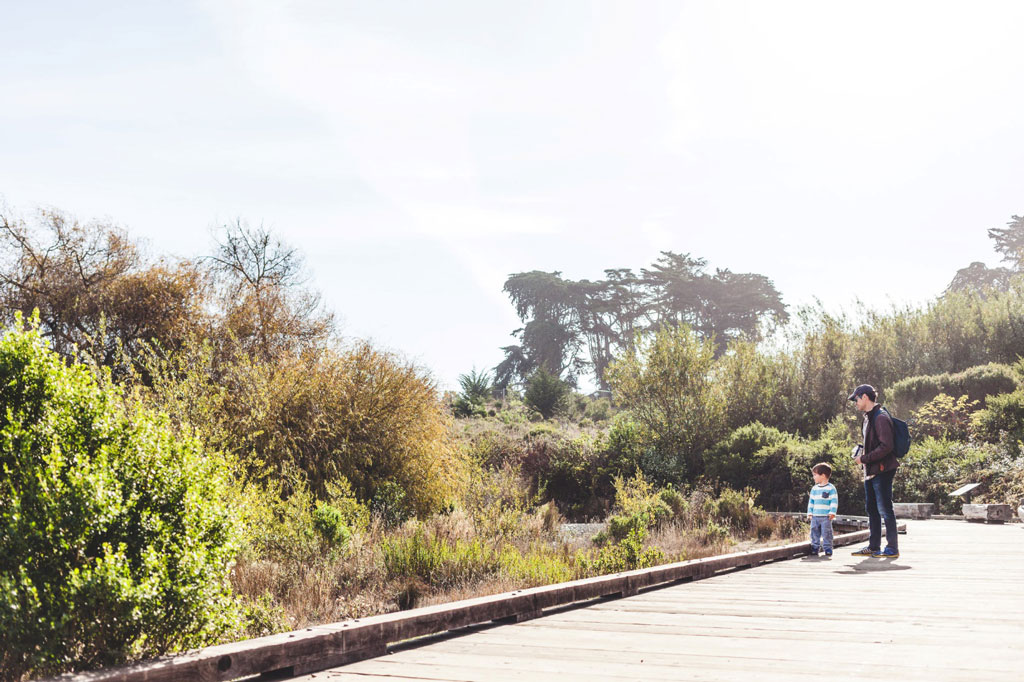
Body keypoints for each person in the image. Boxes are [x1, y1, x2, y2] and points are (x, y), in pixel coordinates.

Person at [849, 384, 900, 558]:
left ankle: (892, 549)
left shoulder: (880, 417)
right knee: (872, 509)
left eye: (856, 399)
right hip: (871, 471)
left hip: (882, 470)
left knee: (885, 509)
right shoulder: (868, 418)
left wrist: (863, 458)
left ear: (864, 397)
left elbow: (886, 446)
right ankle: (874, 546)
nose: (855, 403)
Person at [807, 462, 838, 557]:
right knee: (814, 532)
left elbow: (834, 501)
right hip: (815, 516)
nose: (814, 477)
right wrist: (809, 513)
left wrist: (832, 512)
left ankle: (828, 548)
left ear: (823, 475)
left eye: (815, 475)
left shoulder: (831, 488)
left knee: (827, 533)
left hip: (826, 517)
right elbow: (811, 501)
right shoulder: (814, 489)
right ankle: (815, 547)